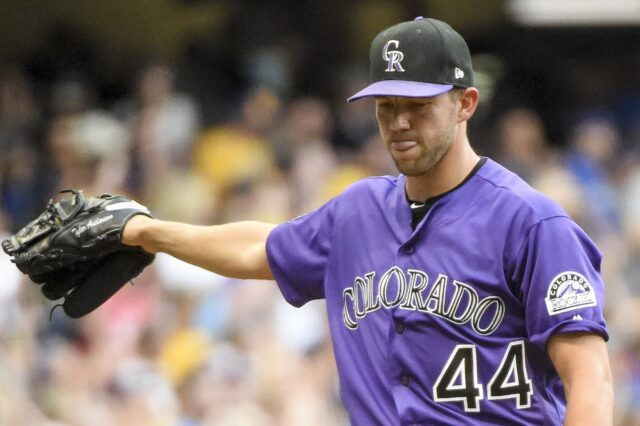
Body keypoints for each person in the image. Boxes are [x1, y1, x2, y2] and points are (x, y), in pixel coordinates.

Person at [123, 17, 613, 425]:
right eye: (386, 107)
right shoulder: (357, 209)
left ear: (465, 104)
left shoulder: (530, 222)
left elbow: (590, 378)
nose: (399, 122)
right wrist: (148, 232)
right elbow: (258, 248)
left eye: (417, 106)